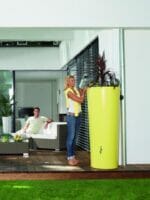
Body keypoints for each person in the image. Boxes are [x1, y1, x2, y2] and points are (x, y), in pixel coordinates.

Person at [64, 75, 86, 166]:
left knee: (74, 138)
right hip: (71, 117)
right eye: (72, 80)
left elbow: (80, 96)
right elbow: (81, 100)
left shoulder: (75, 89)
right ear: (68, 82)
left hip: (78, 116)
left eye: (74, 80)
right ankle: (69, 158)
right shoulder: (68, 91)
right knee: (71, 137)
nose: (74, 82)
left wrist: (82, 91)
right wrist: (84, 92)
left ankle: (73, 157)